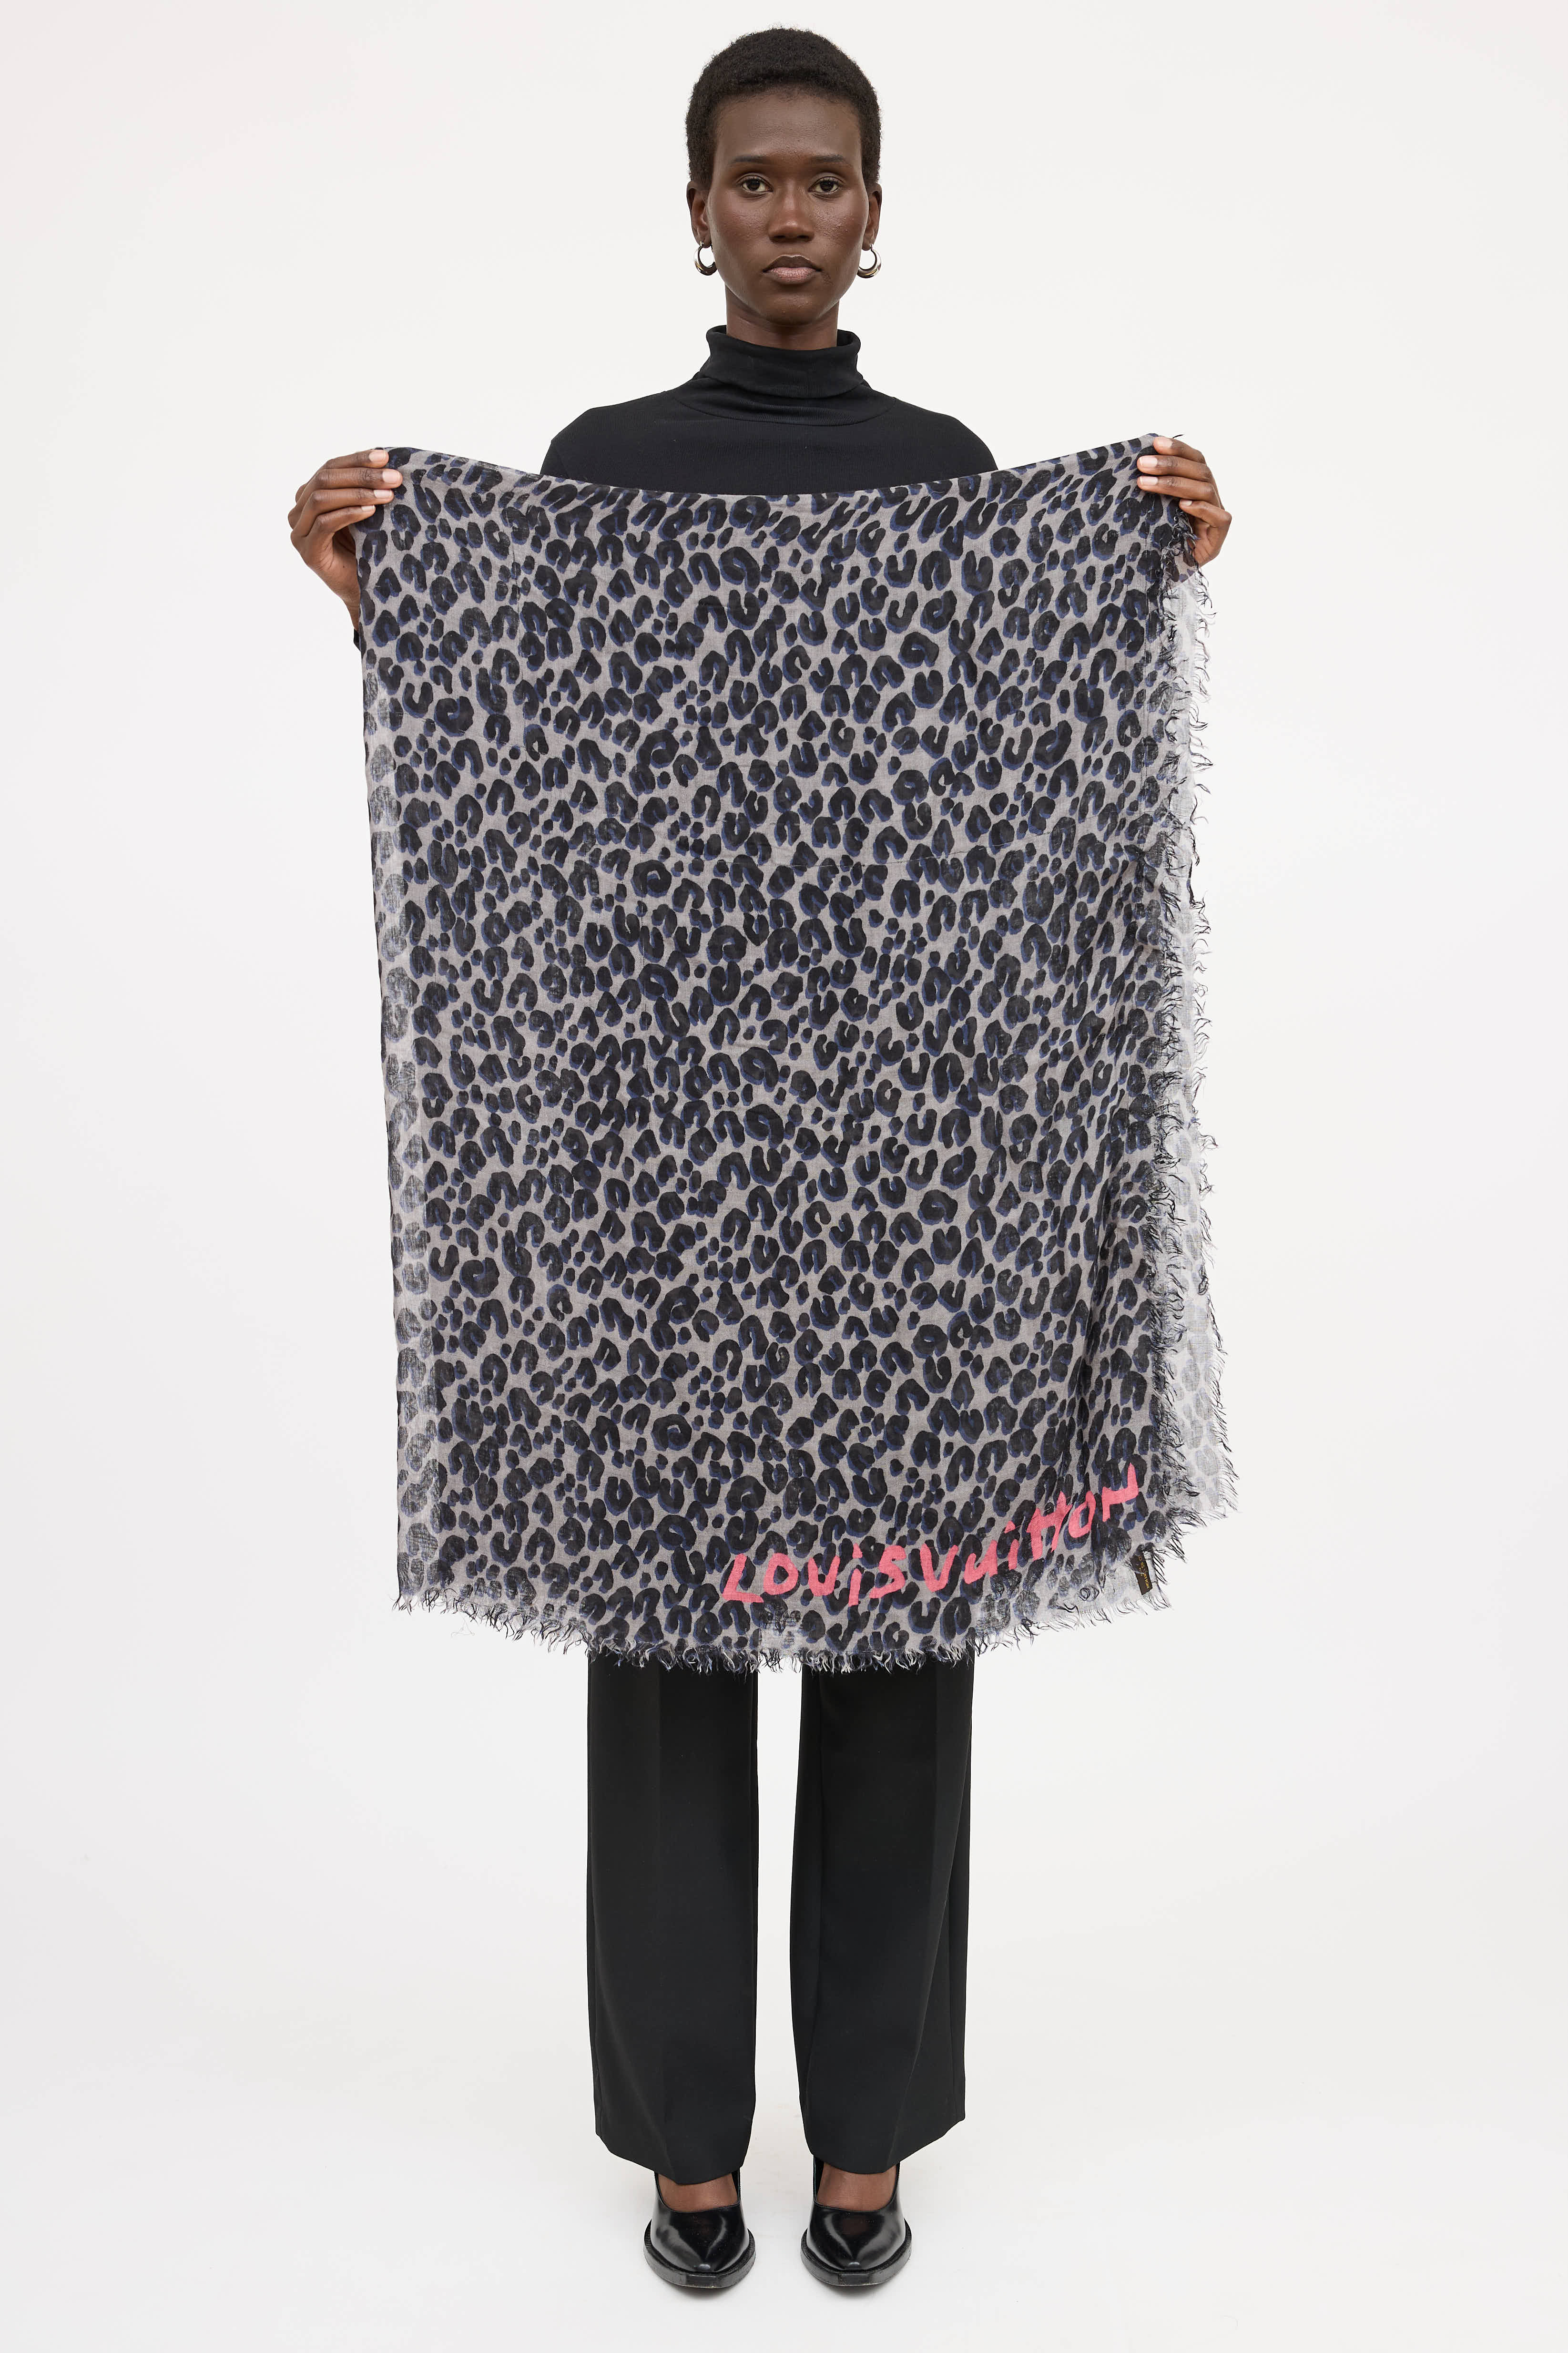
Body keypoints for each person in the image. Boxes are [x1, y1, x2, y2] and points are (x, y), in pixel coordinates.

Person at [288, 26, 1231, 2296]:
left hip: (909, 1157)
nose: (789, 215)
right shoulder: (598, 472)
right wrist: (381, 589)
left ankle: (867, 2140)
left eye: (826, 182)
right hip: (656, 1167)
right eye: (753, 180)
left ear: (875, 217)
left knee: (900, 1648)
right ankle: (687, 2148)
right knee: (670, 1663)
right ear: (696, 209)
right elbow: (537, 774)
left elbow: (1012, 810)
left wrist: (1152, 564)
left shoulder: (952, 479)